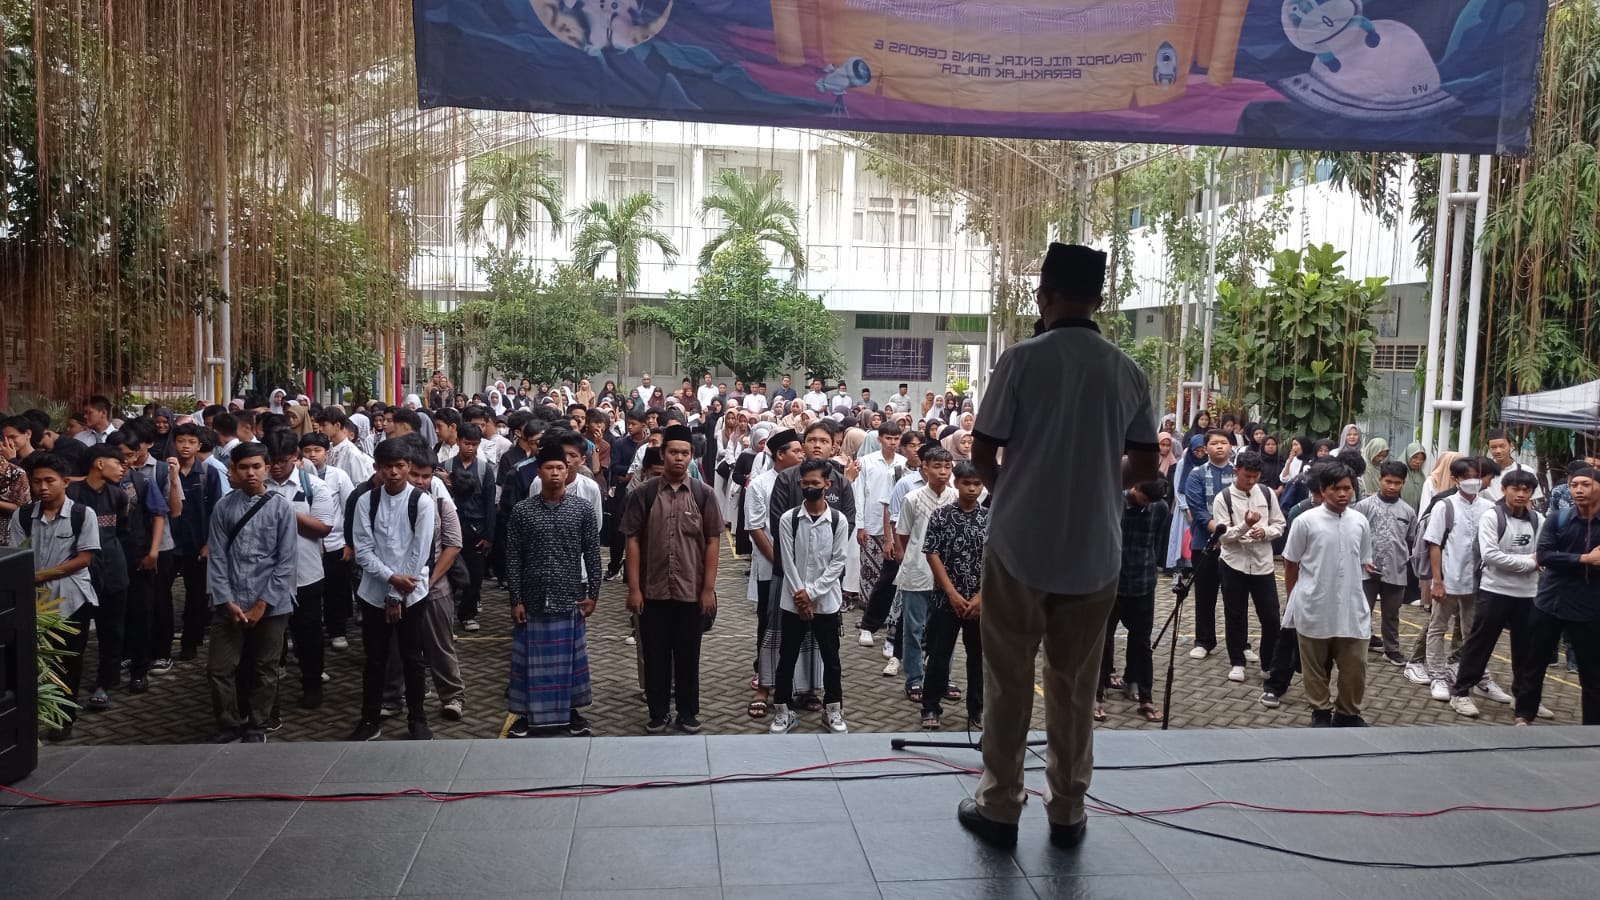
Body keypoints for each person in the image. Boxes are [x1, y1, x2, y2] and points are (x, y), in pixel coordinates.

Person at [962, 243, 1160, 851]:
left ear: (1044, 296)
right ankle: (1068, 811)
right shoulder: (1127, 371)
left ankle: (1000, 806)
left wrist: (1018, 489)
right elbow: (1144, 465)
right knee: (1075, 685)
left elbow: (981, 452)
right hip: (1094, 550)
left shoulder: (1020, 360)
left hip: (1018, 545)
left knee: (1008, 678)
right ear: (1099, 299)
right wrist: (1096, 480)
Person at [621, 424, 723, 734]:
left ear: (691, 456)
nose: (679, 458)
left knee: (688, 655)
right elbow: (632, 540)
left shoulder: (704, 495)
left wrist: (708, 589)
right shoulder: (644, 494)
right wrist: (634, 588)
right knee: (655, 655)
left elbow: (713, 542)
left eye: (685, 453)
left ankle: (688, 712)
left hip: (691, 591)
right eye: (673, 452)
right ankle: (658, 712)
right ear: (663, 454)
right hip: (652, 591)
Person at [503, 442, 602, 736]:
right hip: (532, 599)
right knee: (529, 663)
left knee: (569, 662)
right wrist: (516, 599)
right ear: (539, 472)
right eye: (549, 468)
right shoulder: (522, 511)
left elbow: (592, 554)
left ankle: (571, 714)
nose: (556, 473)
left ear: (568, 470)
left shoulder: (582, 510)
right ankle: (525, 715)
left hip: (570, 597)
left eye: (560, 467)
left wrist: (593, 594)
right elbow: (513, 557)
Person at [206, 442, 299, 743]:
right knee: (219, 668)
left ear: (267, 468)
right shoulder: (223, 507)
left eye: (256, 466)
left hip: (272, 605)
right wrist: (226, 600)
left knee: (266, 668)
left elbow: (286, 562)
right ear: (233, 470)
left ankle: (258, 725)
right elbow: (217, 557)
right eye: (243, 467)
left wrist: (262, 604)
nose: (250, 473)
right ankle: (228, 724)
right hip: (229, 602)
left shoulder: (282, 507)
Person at [349, 438, 437, 741]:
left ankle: (418, 719)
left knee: (413, 658)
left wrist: (397, 594)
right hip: (373, 592)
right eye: (388, 466)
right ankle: (369, 719)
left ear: (409, 466)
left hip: (411, 594)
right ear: (378, 468)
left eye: (400, 466)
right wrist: (390, 579)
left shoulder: (421, 502)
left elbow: (419, 552)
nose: (394, 472)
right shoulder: (366, 501)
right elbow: (363, 551)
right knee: (375, 659)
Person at [12, 453, 100, 741]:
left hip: (72, 601)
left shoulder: (82, 514)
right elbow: (17, 555)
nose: (43, 487)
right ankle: (35, 715)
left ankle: (64, 718)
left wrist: (40, 575)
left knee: (68, 663)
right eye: (37, 481)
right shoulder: (23, 515)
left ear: (65, 482)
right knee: (34, 661)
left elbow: (84, 559)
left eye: (49, 481)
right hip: (34, 602)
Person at [1447, 468, 1547, 721]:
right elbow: (1491, 556)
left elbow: (1543, 553)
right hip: (1495, 590)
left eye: (1526, 490)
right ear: (1504, 490)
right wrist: (1529, 563)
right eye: (1515, 489)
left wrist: (1532, 561)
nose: (1521, 494)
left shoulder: (1539, 520)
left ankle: (1523, 698)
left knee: (1526, 649)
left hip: (1529, 593)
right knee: (1480, 644)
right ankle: (1461, 692)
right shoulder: (1492, 516)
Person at [1281, 463, 1375, 727]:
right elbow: (1291, 563)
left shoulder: (1360, 521)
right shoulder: (1305, 521)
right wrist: (1293, 598)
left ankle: (1347, 713)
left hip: (1352, 607)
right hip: (1314, 605)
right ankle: (1320, 711)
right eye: (1336, 489)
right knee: (1315, 668)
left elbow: (1363, 560)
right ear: (1323, 490)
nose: (1343, 494)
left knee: (1355, 666)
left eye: (1347, 488)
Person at [769, 458, 852, 734]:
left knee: (832, 659)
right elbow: (787, 560)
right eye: (805, 483)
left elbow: (838, 562)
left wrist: (813, 593)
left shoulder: (838, 520)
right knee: (787, 657)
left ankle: (833, 709)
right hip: (793, 602)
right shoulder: (789, 519)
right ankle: (783, 710)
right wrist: (801, 596)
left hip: (826, 602)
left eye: (815, 483)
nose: (809, 487)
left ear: (827, 484)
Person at [1525, 464, 1600, 723]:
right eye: (1574, 485)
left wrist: (1567, 560)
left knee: (1592, 673)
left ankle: (1592, 729)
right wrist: (1584, 559)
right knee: (1534, 664)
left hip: (1589, 607)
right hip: (1550, 602)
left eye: (1586, 484)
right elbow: (1544, 555)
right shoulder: (1558, 519)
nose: (1578, 490)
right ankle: (1524, 716)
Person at [920, 460, 990, 730]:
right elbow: (932, 553)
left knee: (978, 658)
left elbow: (998, 560)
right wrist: (951, 592)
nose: (972, 489)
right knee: (938, 655)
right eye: (966, 483)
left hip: (980, 603)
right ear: (956, 483)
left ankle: (976, 710)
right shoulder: (941, 516)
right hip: (945, 600)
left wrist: (981, 597)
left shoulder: (990, 518)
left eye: (977, 484)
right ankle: (930, 707)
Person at [746, 429, 808, 719]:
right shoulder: (760, 484)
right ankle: (764, 679)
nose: (801, 455)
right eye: (796, 451)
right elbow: (756, 528)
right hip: (771, 567)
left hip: (803, 568)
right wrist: (782, 564)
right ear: (780, 455)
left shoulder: (806, 480)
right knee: (768, 624)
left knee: (800, 626)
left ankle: (801, 683)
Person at [1423, 456, 1494, 703]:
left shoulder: (1488, 507)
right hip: (1449, 578)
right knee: (1438, 627)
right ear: (1455, 479)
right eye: (1466, 478)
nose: (1472, 482)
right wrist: (1437, 580)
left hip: (1477, 581)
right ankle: (1437, 675)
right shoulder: (1445, 506)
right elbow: (1434, 544)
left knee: (1473, 631)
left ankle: (1477, 675)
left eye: (1476, 477)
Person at [891, 445, 957, 704]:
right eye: (937, 466)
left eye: (947, 467)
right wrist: (916, 558)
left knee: (945, 631)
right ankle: (914, 679)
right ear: (925, 468)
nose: (943, 472)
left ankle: (942, 677)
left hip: (949, 576)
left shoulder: (956, 497)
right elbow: (904, 535)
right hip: (917, 572)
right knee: (914, 629)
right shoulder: (913, 498)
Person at [1211, 451, 1284, 684]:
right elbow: (1223, 536)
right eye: (1246, 476)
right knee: (1235, 615)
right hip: (1234, 563)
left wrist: (1265, 531)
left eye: (1255, 476)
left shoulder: (1267, 494)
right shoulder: (1223, 498)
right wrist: (1246, 525)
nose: (1251, 481)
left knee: (1271, 617)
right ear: (1236, 471)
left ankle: (1268, 664)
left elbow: (1280, 524)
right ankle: (1237, 662)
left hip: (1263, 564)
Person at [299, 432, 357, 651]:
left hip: (335, 543)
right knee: (307, 591)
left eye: (317, 450)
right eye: (307, 451)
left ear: (327, 453)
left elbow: (350, 509)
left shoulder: (338, 476)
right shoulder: (297, 477)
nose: (312, 455)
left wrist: (349, 543)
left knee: (336, 590)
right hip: (306, 544)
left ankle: (337, 630)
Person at [171, 423, 223, 661]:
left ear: (199, 445)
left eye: (191, 442)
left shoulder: (208, 473)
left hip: (198, 544)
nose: (186, 446)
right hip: (170, 544)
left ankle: (190, 643)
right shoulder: (165, 470)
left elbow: (215, 511)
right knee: (161, 595)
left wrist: (209, 543)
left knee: (196, 596)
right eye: (181, 441)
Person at [1185, 430, 1237, 663]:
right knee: (1205, 595)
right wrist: (1219, 531)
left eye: (1223, 442)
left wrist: (1231, 534)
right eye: (1214, 443)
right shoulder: (1196, 474)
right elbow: (1197, 509)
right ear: (1205, 448)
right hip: (1203, 544)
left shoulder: (1238, 473)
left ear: (1231, 446)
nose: (1219, 447)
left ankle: (1240, 643)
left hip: (1235, 545)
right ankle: (1204, 641)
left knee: (1235, 597)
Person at [853, 422, 906, 646]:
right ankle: (868, 616)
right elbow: (860, 494)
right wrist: (860, 525)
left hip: (896, 527)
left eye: (896, 438)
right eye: (888, 438)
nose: (892, 442)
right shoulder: (867, 462)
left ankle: (888, 617)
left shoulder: (903, 464)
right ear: (880, 439)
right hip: (871, 522)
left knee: (889, 577)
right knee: (870, 573)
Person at [446, 422, 496, 633]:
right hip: (451, 531)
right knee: (449, 577)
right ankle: (446, 616)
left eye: (475, 444)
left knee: (475, 577)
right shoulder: (446, 467)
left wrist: (489, 536)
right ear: (458, 441)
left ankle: (468, 614)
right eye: (467, 443)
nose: (470, 448)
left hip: (476, 531)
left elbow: (490, 504)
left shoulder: (484, 470)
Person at [1482, 428, 1544, 504]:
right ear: (1489, 448)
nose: (1498, 451)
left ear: (1511, 445)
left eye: (1502, 446)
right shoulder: (1483, 472)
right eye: (1493, 447)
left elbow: (1529, 501)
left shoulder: (1526, 470)